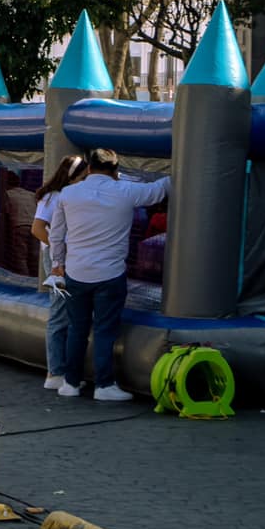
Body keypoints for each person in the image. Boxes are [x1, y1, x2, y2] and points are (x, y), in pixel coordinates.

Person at [47, 148, 167, 402]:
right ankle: (104, 385)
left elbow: (56, 234)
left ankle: (70, 382)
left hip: (76, 272)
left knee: (77, 329)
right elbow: (158, 189)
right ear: (115, 171)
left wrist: (57, 263)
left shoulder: (68, 194)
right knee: (104, 330)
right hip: (110, 274)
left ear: (89, 168)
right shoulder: (126, 191)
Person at [29, 155, 89, 391]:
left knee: (63, 311)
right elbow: (37, 228)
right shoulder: (53, 197)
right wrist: (57, 250)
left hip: (64, 256)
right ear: (73, 177)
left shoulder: (63, 195)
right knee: (59, 312)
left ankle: (60, 370)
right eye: (83, 178)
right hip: (57, 258)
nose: (85, 182)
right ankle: (55, 371)